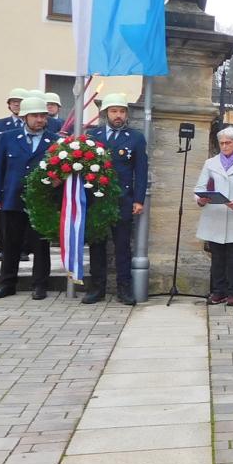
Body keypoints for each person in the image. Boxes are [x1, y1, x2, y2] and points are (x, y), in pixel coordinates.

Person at [0, 97, 55, 301]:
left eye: (43, 116)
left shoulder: (55, 140)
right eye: (35, 116)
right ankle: (7, 284)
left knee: (40, 245)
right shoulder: (8, 137)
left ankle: (40, 285)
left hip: (41, 201)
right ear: (25, 116)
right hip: (11, 198)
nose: (39, 120)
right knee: (10, 244)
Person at [84, 93, 148, 305]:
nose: (118, 115)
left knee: (122, 247)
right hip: (96, 200)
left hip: (122, 199)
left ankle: (124, 289)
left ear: (126, 114)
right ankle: (97, 288)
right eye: (114, 111)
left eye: (121, 111)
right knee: (97, 245)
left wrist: (139, 200)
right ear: (105, 114)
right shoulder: (93, 136)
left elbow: (141, 171)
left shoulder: (135, 138)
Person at [194, 127, 233, 306]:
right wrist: (200, 199)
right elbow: (199, 187)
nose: (224, 146)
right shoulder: (210, 163)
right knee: (218, 256)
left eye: (228, 143)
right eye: (221, 143)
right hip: (214, 215)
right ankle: (218, 291)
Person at [0, 88, 27, 262]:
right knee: (2, 213)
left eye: (20, 101)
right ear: (9, 105)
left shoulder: (34, 123)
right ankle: (2, 248)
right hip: (4, 176)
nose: (16, 104)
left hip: (24, 176)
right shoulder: (0, 125)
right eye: (13, 101)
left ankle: (24, 249)